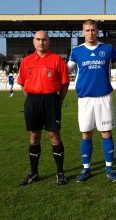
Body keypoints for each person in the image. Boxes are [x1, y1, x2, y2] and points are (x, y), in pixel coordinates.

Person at [67, 19, 116, 183]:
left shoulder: (107, 49)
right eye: (87, 30)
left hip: (104, 98)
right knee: (86, 134)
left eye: (93, 30)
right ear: (83, 32)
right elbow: (65, 70)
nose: (90, 33)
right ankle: (86, 169)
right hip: (85, 99)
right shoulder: (77, 51)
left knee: (106, 133)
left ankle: (109, 168)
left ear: (97, 31)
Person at [17, 30, 69, 186]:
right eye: (38, 39)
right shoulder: (26, 61)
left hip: (51, 100)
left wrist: (57, 101)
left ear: (49, 41)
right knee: (34, 136)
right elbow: (23, 84)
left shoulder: (57, 60)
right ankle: (34, 173)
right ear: (33, 42)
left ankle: (60, 173)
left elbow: (64, 84)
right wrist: (32, 100)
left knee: (54, 135)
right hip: (32, 101)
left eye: (44, 39)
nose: (41, 42)